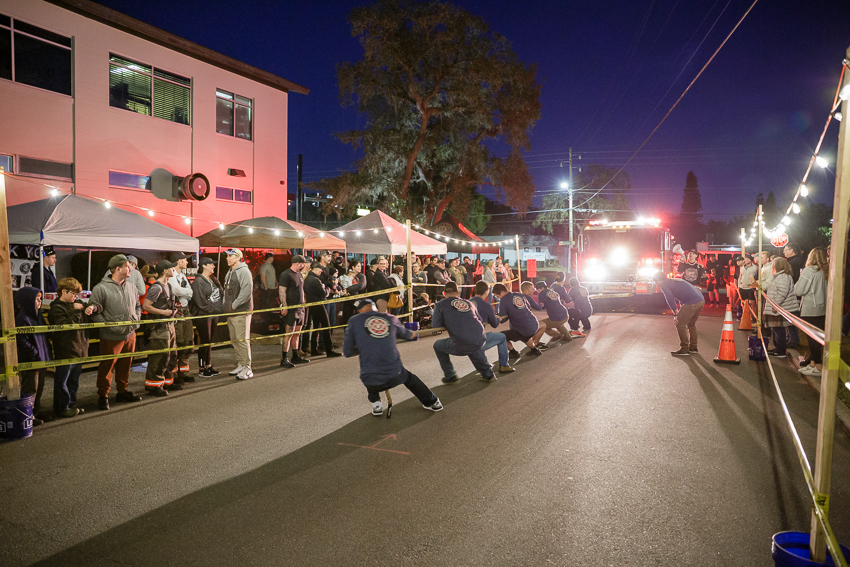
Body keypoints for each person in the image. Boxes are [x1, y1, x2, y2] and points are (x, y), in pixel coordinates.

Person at [344, 297, 442, 416]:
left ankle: (376, 405)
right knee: (410, 378)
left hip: (371, 380)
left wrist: (362, 346)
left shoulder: (354, 321)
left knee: (368, 370)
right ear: (375, 308)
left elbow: (348, 352)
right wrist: (410, 333)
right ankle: (433, 402)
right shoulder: (390, 318)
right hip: (395, 374)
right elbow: (407, 335)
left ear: (359, 311)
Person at [88, 254, 143, 411]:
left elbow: (138, 305)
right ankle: (103, 395)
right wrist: (106, 326)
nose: (130, 268)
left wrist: (136, 321)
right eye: (127, 266)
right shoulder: (101, 288)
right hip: (111, 336)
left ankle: (122, 391)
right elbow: (94, 311)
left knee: (126, 364)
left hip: (130, 333)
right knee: (107, 365)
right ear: (118, 269)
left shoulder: (132, 287)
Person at [432, 282, 498, 383]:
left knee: (438, 345)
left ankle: (450, 375)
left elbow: (436, 327)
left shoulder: (440, 305)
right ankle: (488, 374)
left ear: (444, 293)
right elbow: (479, 319)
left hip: (462, 342)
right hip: (480, 338)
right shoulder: (468, 303)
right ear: (457, 292)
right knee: (472, 345)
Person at [49, 277, 94, 418]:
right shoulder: (56, 308)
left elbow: (93, 309)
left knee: (74, 381)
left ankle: (72, 404)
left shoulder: (78, 303)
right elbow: (65, 327)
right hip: (66, 350)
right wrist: (76, 312)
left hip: (79, 349)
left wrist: (91, 308)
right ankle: (62, 407)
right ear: (63, 291)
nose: (76, 297)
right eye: (73, 294)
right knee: (62, 382)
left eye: (77, 295)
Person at [15, 287, 52, 425]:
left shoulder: (37, 316)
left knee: (39, 387)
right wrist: (35, 354)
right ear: (28, 300)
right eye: (37, 299)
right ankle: (27, 415)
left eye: (40, 299)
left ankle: (35, 411)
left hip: (41, 359)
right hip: (31, 361)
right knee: (30, 388)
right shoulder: (23, 318)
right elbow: (22, 341)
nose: (40, 302)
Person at [142, 260, 178, 396]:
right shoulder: (156, 287)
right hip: (158, 327)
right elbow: (146, 306)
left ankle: (167, 381)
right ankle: (153, 385)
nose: (173, 269)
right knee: (159, 356)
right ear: (165, 271)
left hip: (169, 325)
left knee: (171, 355)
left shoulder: (167, 285)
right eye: (171, 268)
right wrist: (164, 312)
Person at [652, 271, 705, 356]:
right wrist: (680, 309)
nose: (656, 283)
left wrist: (676, 313)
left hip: (692, 302)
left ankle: (684, 349)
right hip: (700, 300)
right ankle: (693, 348)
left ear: (660, 280)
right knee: (691, 324)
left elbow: (669, 298)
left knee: (680, 324)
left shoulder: (664, 285)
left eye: (656, 281)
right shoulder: (673, 281)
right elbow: (682, 294)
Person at [795, 247, 828, 376]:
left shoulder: (809, 271)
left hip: (811, 308)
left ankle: (818, 366)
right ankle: (813, 364)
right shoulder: (826, 271)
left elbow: (799, 290)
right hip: (823, 308)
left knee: (812, 339)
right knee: (817, 338)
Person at [469, 281, 515, 373]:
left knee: (479, 333)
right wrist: (497, 318)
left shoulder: (467, 302)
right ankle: (504, 365)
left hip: (462, 338)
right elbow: (495, 325)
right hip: (476, 341)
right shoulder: (487, 306)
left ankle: (484, 362)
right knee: (502, 337)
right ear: (487, 291)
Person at [492, 282, 546, 358]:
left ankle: (513, 352)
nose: (497, 297)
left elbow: (503, 318)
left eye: (497, 295)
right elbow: (527, 306)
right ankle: (535, 350)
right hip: (534, 324)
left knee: (500, 336)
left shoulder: (503, 300)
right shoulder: (519, 294)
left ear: (502, 292)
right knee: (523, 335)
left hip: (523, 328)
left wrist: (496, 318)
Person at [223, 248, 254, 379]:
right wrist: (227, 305)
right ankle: (241, 364)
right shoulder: (230, 271)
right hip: (232, 311)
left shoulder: (244, 271)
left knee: (242, 340)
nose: (228, 258)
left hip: (241, 311)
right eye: (227, 256)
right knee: (235, 339)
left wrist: (234, 305)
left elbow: (246, 292)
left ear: (238, 257)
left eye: (231, 256)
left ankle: (247, 368)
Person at [191, 257, 224, 377]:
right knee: (205, 341)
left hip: (213, 314)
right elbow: (201, 302)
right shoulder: (198, 281)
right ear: (204, 266)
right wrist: (216, 308)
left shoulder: (212, 279)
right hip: (204, 315)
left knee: (209, 341)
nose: (213, 266)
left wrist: (218, 307)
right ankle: (201, 368)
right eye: (211, 264)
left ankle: (208, 365)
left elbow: (220, 294)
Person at [304, 261, 343, 358]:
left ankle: (314, 349)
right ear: (314, 269)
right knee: (326, 327)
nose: (321, 271)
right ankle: (329, 350)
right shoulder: (315, 280)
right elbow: (323, 294)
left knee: (316, 327)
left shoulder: (308, 279)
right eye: (319, 269)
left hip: (312, 305)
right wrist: (328, 290)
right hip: (319, 304)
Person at [167, 252, 194, 385]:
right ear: (178, 261)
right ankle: (174, 374)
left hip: (186, 311)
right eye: (185, 260)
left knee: (187, 342)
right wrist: (186, 292)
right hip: (177, 314)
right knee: (178, 342)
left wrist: (185, 292)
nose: (187, 262)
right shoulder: (172, 276)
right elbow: (177, 291)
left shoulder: (182, 276)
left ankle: (184, 372)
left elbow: (191, 292)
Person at [279, 254, 310, 368]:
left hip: (300, 308)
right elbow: (282, 291)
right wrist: (284, 306)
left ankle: (295, 356)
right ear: (297, 263)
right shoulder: (286, 275)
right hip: (291, 309)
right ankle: (284, 358)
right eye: (302, 264)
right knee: (289, 334)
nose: (304, 266)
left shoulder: (299, 275)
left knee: (297, 334)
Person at [763, 258, 797, 359]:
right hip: (779, 307)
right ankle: (778, 348)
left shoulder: (783, 277)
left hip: (781, 307)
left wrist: (775, 305)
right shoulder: (781, 276)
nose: (772, 266)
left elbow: (782, 292)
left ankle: (781, 350)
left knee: (779, 329)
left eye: (773, 264)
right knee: (776, 329)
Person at [784, 242, 805, 349]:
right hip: (798, 293)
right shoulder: (801, 261)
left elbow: (791, 279)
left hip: (793, 294)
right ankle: (792, 338)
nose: (784, 251)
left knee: (791, 317)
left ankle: (793, 339)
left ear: (792, 251)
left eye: (786, 249)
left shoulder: (792, 263)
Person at [341, 259, 367, 324]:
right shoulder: (346, 275)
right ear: (353, 267)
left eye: (360, 266)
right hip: (348, 300)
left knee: (358, 318)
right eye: (358, 266)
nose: (360, 268)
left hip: (359, 300)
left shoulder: (361, 276)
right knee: (346, 318)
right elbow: (342, 284)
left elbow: (360, 286)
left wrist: (348, 289)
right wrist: (344, 291)